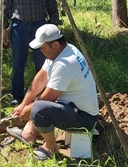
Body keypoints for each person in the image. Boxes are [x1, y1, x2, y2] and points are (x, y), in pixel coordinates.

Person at [6, 24, 99, 161]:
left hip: (84, 118)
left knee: (38, 109)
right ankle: (29, 133)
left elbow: (46, 100)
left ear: (55, 45)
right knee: (37, 105)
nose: (40, 51)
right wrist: (23, 104)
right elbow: (41, 78)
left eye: (43, 47)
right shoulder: (65, 50)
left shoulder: (64, 64)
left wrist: (28, 111)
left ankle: (50, 147)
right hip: (75, 108)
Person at [3, 0, 59, 105]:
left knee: (43, 62)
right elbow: (6, 5)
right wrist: (3, 28)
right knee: (18, 62)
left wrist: (54, 26)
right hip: (18, 27)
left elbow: (50, 3)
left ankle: (42, 96)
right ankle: (17, 96)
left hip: (39, 26)